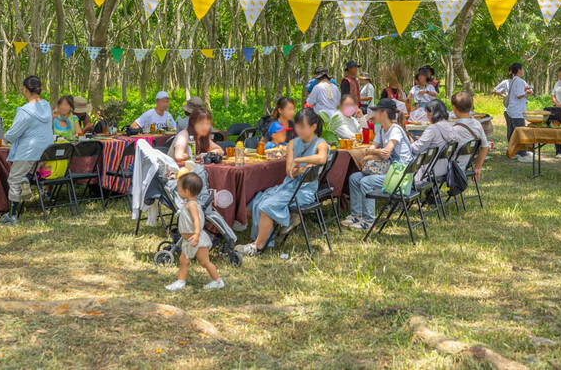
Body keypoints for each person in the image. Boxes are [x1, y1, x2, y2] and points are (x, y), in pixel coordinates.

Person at [235, 108, 329, 256]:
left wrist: (299, 160)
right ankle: (270, 235)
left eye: (303, 127)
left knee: (266, 206)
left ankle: (258, 246)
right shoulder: (292, 143)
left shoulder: (320, 143)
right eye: (297, 126)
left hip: (304, 191)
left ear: (313, 127)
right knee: (253, 204)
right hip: (288, 185)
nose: (299, 130)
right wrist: (301, 169)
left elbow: (322, 158)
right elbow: (289, 171)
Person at [344, 98, 414, 231]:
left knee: (366, 181)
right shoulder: (382, 131)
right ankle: (356, 214)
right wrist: (373, 153)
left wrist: (370, 155)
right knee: (354, 178)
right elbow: (372, 149)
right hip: (391, 170)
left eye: (376, 111)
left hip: (401, 176)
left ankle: (369, 220)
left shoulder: (395, 130)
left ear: (384, 113)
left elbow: (385, 153)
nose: (373, 115)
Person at [2, 76, 54, 225]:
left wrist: (6, 135)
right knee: (24, 174)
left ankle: (12, 216)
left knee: (13, 178)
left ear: (25, 89)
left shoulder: (25, 111)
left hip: (29, 151)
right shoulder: (46, 105)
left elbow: (13, 134)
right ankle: (28, 177)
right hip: (46, 151)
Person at [165, 172, 224, 291]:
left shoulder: (192, 205)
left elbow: (196, 220)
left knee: (204, 262)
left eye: (179, 189)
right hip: (189, 240)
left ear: (186, 191)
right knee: (184, 261)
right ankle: (181, 281)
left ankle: (217, 281)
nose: (178, 191)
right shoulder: (189, 204)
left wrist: (196, 234)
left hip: (196, 240)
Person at [451, 91, 489, 181]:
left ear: (454, 108)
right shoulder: (477, 124)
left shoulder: (454, 130)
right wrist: (477, 167)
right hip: (467, 164)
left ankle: (433, 194)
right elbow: (485, 147)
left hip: (452, 167)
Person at [503, 62, 533, 163]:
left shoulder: (513, 80)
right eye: (522, 69)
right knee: (521, 132)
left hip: (511, 110)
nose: (523, 71)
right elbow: (520, 95)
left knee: (512, 132)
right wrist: (528, 93)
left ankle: (513, 151)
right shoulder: (519, 81)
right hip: (517, 112)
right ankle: (522, 154)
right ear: (519, 70)